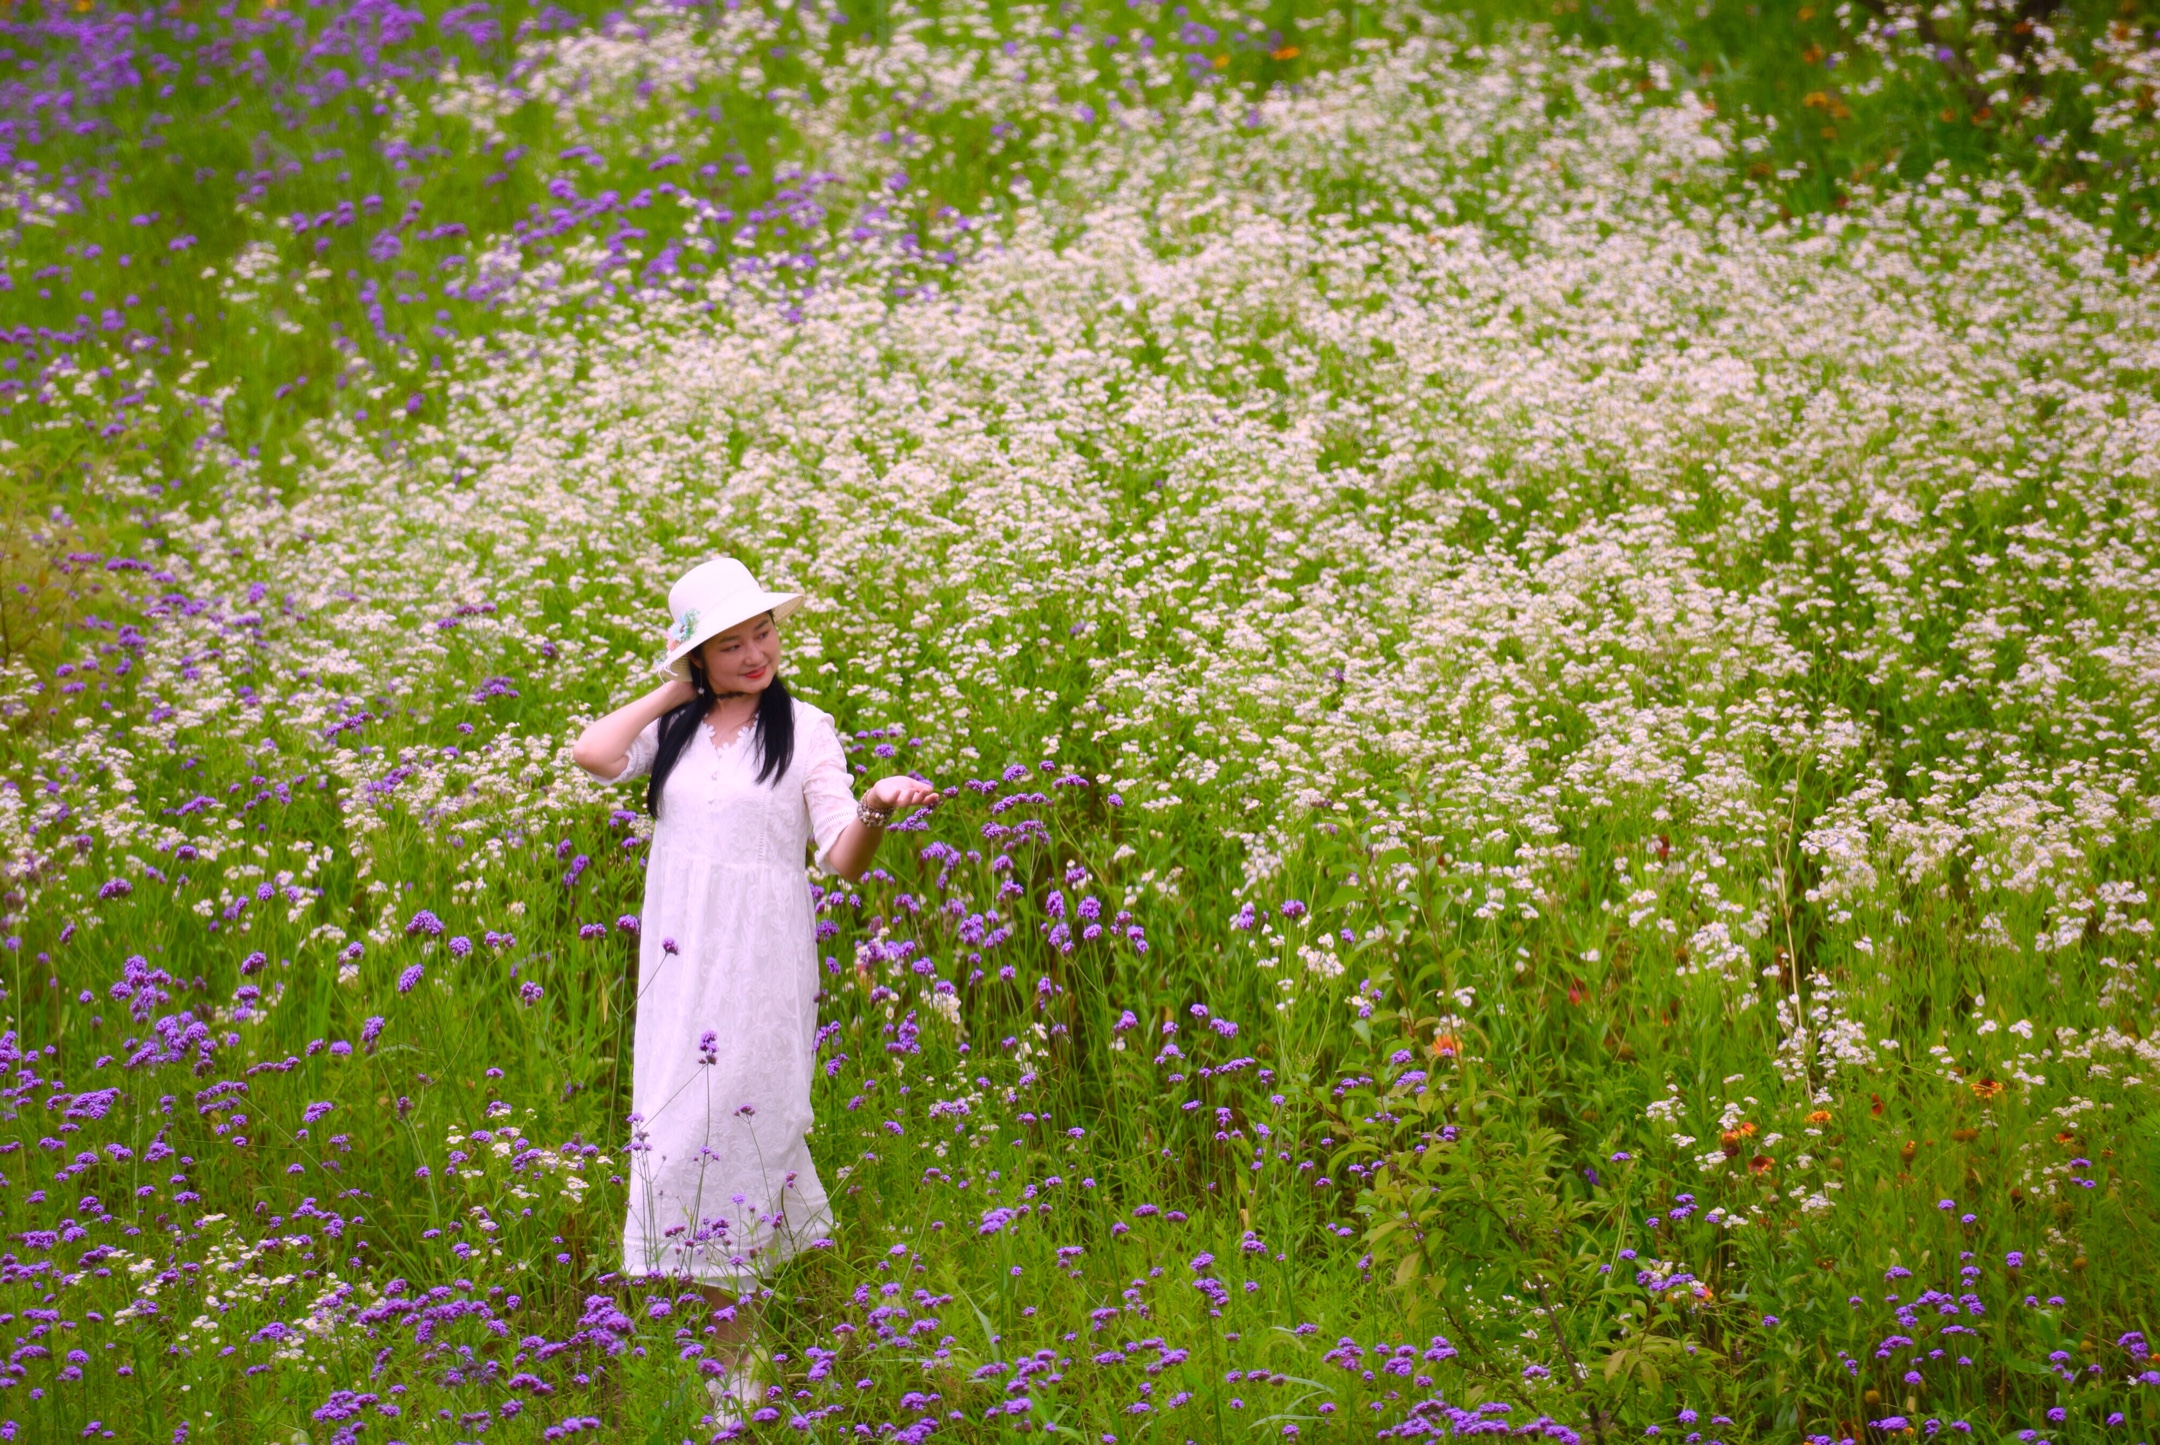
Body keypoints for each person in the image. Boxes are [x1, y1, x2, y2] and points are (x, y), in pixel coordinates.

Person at [570, 556, 940, 1424]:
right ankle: (730, 1377)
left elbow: (839, 855)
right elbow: (592, 752)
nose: (755, 653)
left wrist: (880, 807)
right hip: (678, 969)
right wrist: (676, 689)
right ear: (696, 655)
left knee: (736, 1140)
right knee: (671, 1149)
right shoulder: (676, 732)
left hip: (760, 968)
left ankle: (736, 1389)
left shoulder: (807, 727)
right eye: (728, 642)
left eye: (762, 632)